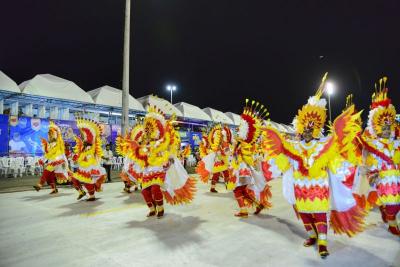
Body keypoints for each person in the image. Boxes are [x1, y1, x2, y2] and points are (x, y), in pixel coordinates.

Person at [262, 73, 367, 258]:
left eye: (313, 127)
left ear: (317, 128)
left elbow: (336, 161)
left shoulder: (324, 146)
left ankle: (323, 243)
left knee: (320, 215)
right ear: (301, 127)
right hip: (300, 189)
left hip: (319, 188)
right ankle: (312, 236)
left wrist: (348, 169)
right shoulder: (293, 147)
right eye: (306, 126)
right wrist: (270, 163)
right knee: (304, 215)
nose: (309, 130)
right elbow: (281, 161)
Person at [116, 106, 196, 218]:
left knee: (155, 189)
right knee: (145, 192)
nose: (147, 133)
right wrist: (135, 147)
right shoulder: (146, 146)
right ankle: (152, 209)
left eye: (150, 130)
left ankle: (160, 208)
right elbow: (141, 155)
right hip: (147, 171)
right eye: (147, 131)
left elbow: (169, 151)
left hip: (159, 170)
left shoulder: (162, 143)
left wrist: (170, 158)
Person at [361, 77, 400, 236]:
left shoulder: (396, 142)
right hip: (384, 179)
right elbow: (369, 159)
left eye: (388, 126)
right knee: (394, 204)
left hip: (397, 176)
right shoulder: (373, 143)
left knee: (397, 203)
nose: (386, 129)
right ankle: (392, 223)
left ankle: (386, 210)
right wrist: (372, 174)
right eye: (383, 126)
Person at [226, 100, 277, 217]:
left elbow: (247, 157)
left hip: (243, 171)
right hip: (241, 170)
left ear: (245, 130)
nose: (238, 130)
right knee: (242, 190)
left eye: (240, 128)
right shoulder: (240, 143)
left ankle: (243, 211)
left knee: (237, 190)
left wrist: (250, 164)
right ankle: (258, 204)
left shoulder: (244, 144)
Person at [71, 117, 106, 201]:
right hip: (83, 167)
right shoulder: (84, 147)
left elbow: (91, 143)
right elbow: (80, 155)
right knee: (74, 178)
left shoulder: (91, 146)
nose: (83, 138)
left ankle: (92, 195)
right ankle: (81, 192)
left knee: (88, 181)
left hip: (90, 167)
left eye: (85, 137)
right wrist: (76, 157)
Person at [33, 121, 70, 194]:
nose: (50, 136)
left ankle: (40, 185)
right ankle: (54, 189)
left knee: (47, 171)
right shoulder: (50, 145)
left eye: (51, 134)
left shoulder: (59, 142)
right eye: (49, 134)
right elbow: (48, 155)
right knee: (50, 176)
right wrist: (42, 160)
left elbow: (59, 136)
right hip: (52, 161)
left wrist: (56, 129)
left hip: (58, 161)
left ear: (55, 135)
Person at [196, 125, 233, 193]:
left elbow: (224, 151)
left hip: (220, 161)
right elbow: (225, 152)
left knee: (221, 174)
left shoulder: (221, 144)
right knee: (224, 173)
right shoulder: (221, 144)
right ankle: (223, 186)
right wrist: (230, 152)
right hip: (220, 161)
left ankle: (215, 188)